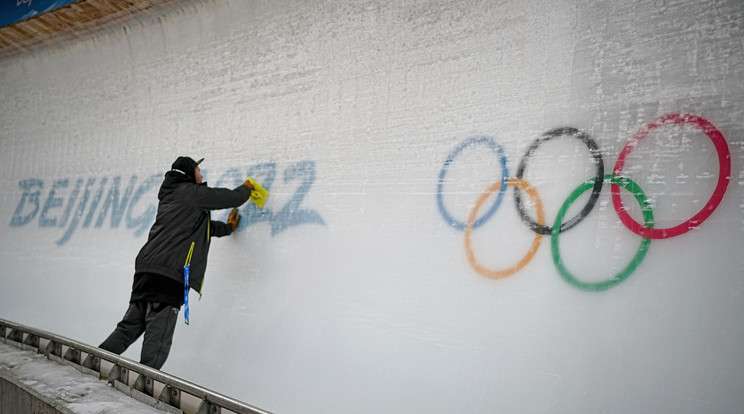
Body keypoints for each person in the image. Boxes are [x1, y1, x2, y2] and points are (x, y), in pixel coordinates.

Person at [99, 156, 254, 369]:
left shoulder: (173, 195)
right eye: (199, 171)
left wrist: (228, 228)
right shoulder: (192, 193)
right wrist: (246, 189)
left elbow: (199, 228)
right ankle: (147, 382)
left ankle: (94, 362)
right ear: (189, 173)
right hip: (168, 276)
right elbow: (227, 198)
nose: (201, 175)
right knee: (158, 335)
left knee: (129, 327)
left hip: (146, 271)